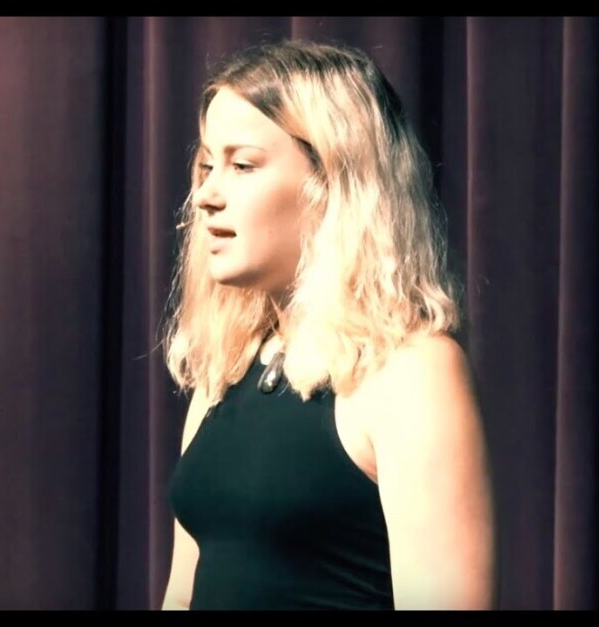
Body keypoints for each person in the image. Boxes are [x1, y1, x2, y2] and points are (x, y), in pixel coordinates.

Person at [159, 39, 494, 611]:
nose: (206, 194)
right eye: (207, 165)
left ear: (334, 182)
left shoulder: (412, 371)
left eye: (242, 165)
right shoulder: (228, 371)